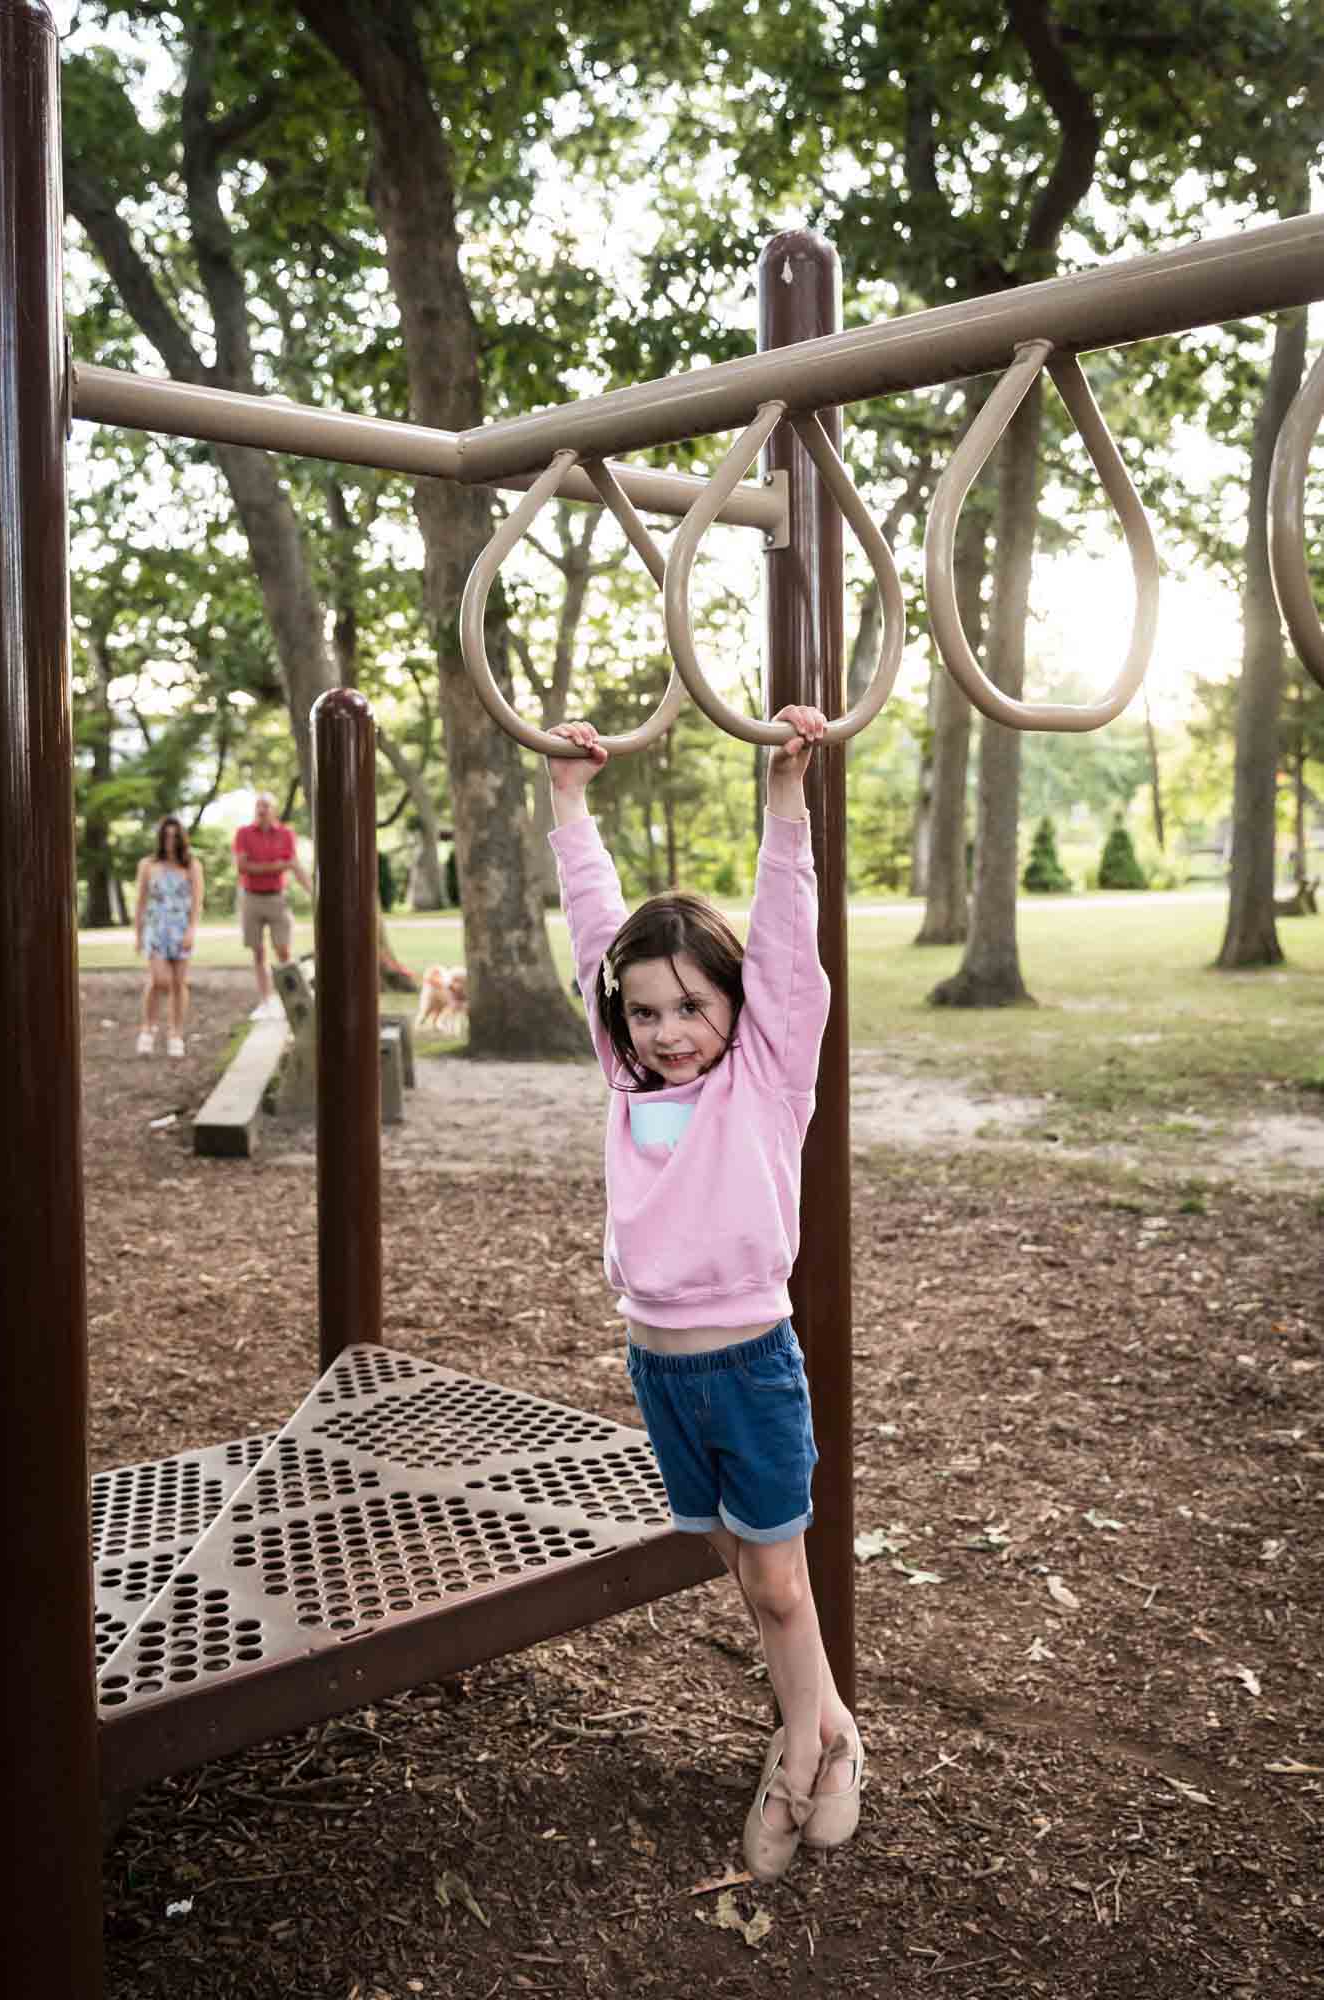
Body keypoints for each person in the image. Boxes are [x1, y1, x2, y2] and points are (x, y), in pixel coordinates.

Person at [547, 706, 863, 1882]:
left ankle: (803, 1755)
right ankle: (829, 1723)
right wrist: (568, 806)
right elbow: (595, 932)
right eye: (644, 1010)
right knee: (741, 1560)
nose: (669, 1031)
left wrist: (786, 805)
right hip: (658, 1368)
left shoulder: (766, 1077)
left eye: (691, 1005)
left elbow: (786, 945)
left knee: (776, 1574)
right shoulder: (626, 1080)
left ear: (733, 1005)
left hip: (747, 1363)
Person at [233, 792, 312, 1018]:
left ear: (273, 810)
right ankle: (266, 1001)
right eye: (258, 806)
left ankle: (289, 1000)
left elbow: (294, 865)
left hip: (277, 898)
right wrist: (278, 866)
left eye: (266, 806)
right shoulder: (244, 834)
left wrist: (312, 892)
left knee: (283, 950)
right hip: (251, 898)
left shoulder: (286, 834)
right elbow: (242, 867)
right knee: (258, 952)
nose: (261, 810)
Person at [134, 815, 204, 1058]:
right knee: (160, 980)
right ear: (160, 838)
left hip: (181, 929)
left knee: (179, 983)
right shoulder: (147, 865)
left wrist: (192, 930)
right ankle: (148, 1028)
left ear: (181, 839)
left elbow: (197, 902)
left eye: (174, 836)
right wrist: (138, 933)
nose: (170, 841)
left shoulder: (192, 866)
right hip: (156, 929)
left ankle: (175, 1034)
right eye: (166, 836)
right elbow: (141, 902)